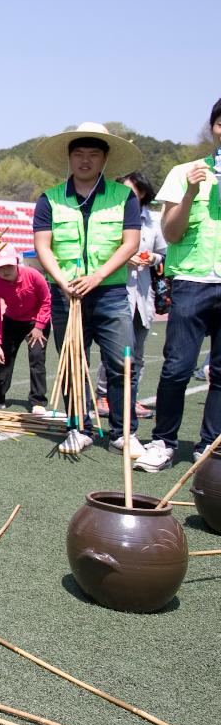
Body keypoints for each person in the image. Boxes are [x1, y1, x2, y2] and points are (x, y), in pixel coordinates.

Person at [32, 122, 143, 456]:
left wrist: (97, 277)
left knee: (122, 363)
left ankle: (124, 432)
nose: (85, 160)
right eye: (78, 153)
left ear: (105, 159)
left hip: (109, 293)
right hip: (66, 295)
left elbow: (131, 243)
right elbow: (42, 246)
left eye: (93, 154)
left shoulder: (123, 196)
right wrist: (63, 282)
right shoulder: (49, 198)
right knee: (72, 363)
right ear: (69, 157)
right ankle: (79, 428)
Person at [145, 100, 221, 472]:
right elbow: (172, 233)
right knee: (177, 367)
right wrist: (191, 193)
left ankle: (210, 445)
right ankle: (163, 441)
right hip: (193, 280)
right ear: (213, 128)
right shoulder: (184, 172)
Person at [94, 172, 165, 423]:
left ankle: (130, 397)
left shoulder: (152, 221)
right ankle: (103, 395)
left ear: (142, 194)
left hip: (142, 294)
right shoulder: (110, 215)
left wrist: (150, 258)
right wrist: (124, 255)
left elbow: (162, 252)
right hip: (115, 290)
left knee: (138, 352)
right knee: (116, 351)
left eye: (131, 193)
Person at [0, 246, 52, 414]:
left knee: (37, 357)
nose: (5, 270)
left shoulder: (33, 275)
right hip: (12, 321)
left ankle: (38, 401)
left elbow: (46, 300)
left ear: (16, 262)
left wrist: (39, 326)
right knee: (3, 358)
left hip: (36, 321)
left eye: (8, 266)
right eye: (0, 267)